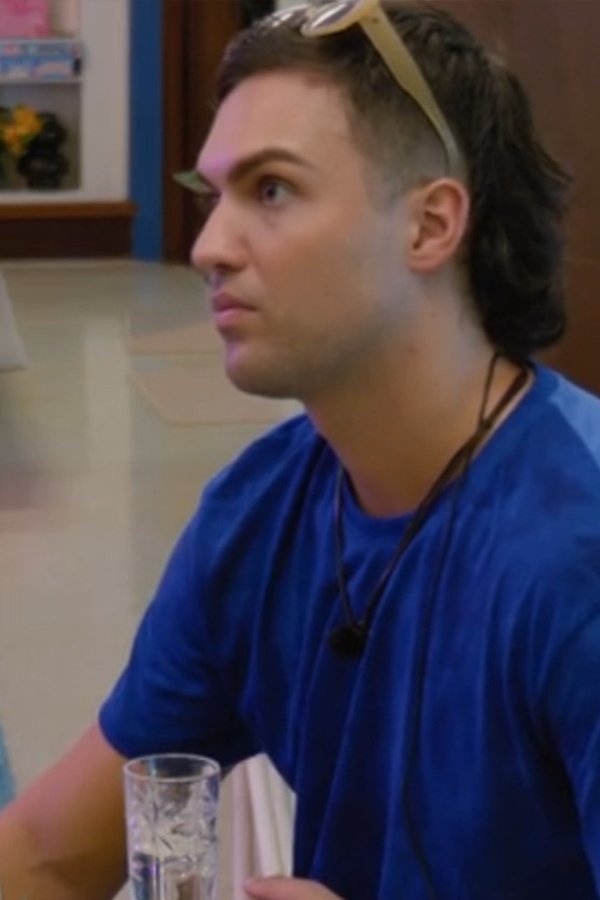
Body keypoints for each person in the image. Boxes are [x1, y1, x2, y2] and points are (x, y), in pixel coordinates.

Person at [1, 0, 600, 897]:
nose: (209, 247)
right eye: (213, 196)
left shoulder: (575, 548)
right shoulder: (259, 516)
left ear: (431, 225)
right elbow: (51, 853)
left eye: (272, 190)